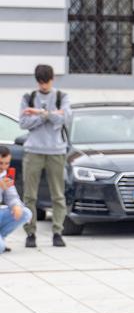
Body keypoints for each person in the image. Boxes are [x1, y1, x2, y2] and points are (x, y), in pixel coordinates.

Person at [18, 63, 71, 248]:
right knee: (29, 195)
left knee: (58, 194)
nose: (44, 86)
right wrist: (46, 115)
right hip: (33, 151)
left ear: (52, 79)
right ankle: (30, 233)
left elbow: (65, 118)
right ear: (37, 81)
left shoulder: (61, 96)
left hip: (56, 150)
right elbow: (23, 122)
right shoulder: (29, 97)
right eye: (41, 82)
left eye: (46, 82)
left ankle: (57, 232)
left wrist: (39, 112)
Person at [0, 146, 30, 253]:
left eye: (7, 163)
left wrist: (16, 206)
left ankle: (1, 238)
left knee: (25, 212)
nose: (3, 167)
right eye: (0, 163)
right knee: (1, 248)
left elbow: (12, 196)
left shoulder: (5, 175)